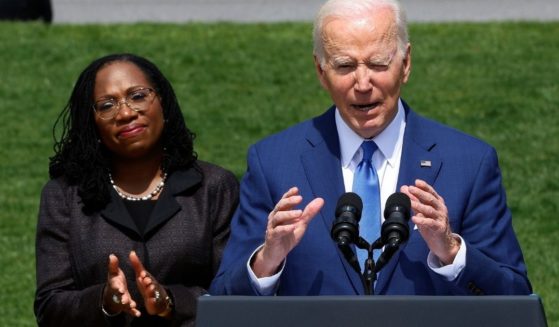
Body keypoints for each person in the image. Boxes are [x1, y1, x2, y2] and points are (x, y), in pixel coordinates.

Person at [209, 0, 531, 296]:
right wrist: (267, 261)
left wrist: (452, 252)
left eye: (378, 64)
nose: (363, 85)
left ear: (405, 64)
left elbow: (514, 297)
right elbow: (224, 301)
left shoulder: (469, 163)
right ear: (321, 72)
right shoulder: (274, 163)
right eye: (345, 66)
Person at [34, 53, 239, 326]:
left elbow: (234, 293)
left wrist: (170, 301)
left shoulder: (213, 187)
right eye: (107, 105)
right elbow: (50, 306)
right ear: (91, 122)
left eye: (138, 96)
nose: (126, 113)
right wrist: (104, 301)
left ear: (162, 100)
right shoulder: (64, 196)